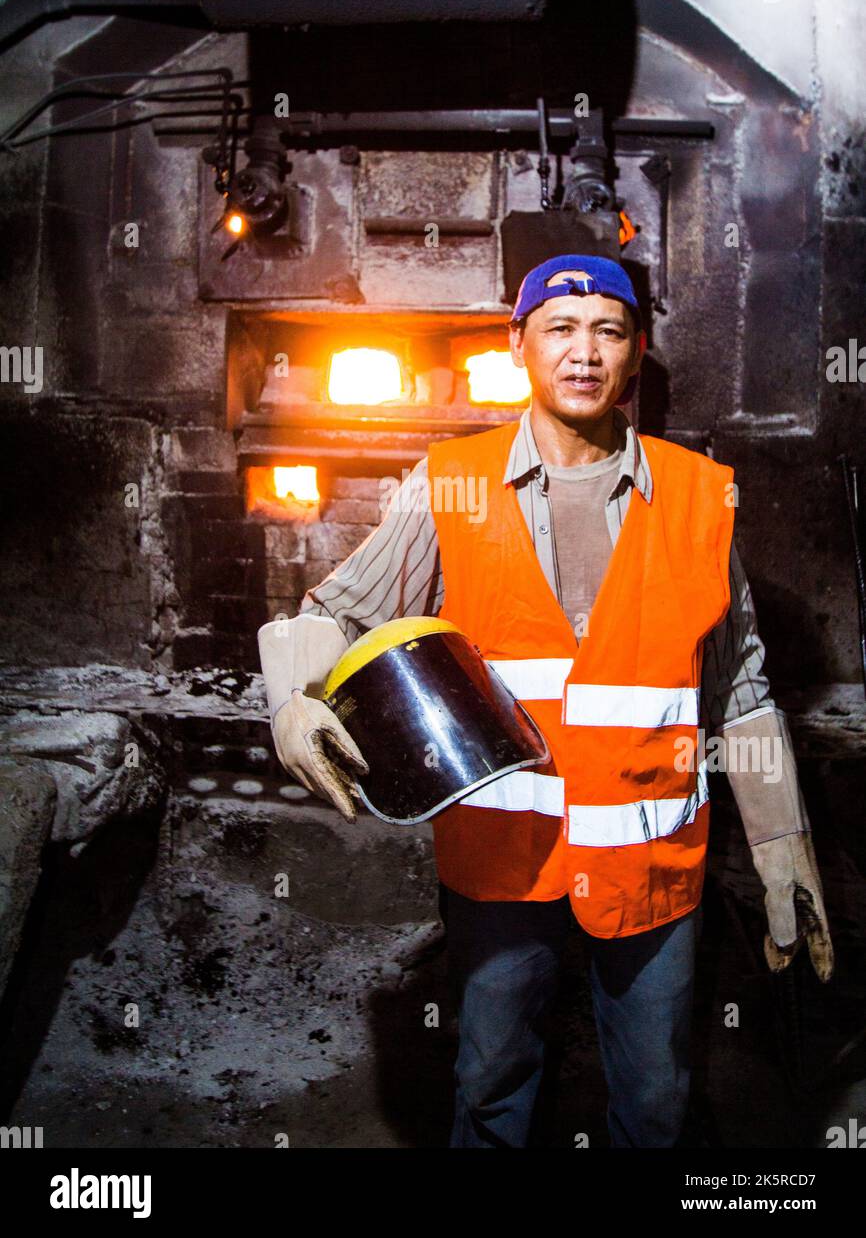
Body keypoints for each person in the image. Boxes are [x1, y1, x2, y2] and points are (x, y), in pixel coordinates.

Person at [258, 254, 833, 1149]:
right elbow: (339, 610)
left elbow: (741, 692)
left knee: (655, 1102)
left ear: (635, 354)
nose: (583, 352)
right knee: (491, 1087)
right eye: (560, 329)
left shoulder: (695, 496)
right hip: (502, 860)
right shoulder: (452, 481)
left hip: (652, 869)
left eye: (607, 330)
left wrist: (781, 840)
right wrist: (293, 694)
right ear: (518, 345)